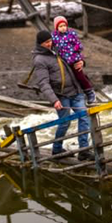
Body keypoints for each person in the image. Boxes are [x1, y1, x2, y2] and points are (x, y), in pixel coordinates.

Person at [32, 30, 94, 161]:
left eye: (50, 41)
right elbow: (43, 83)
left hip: (76, 92)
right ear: (40, 44)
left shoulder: (59, 49)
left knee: (84, 118)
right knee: (65, 123)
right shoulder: (39, 60)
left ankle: (84, 150)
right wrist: (54, 100)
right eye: (46, 43)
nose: (49, 44)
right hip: (61, 95)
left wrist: (82, 62)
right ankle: (57, 149)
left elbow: (74, 56)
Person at [52, 16, 96, 104]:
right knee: (68, 77)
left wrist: (74, 49)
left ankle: (89, 92)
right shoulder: (54, 36)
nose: (63, 28)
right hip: (63, 60)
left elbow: (79, 45)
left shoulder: (71, 34)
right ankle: (73, 95)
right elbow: (50, 45)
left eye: (64, 25)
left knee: (79, 75)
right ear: (56, 28)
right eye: (60, 26)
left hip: (74, 58)